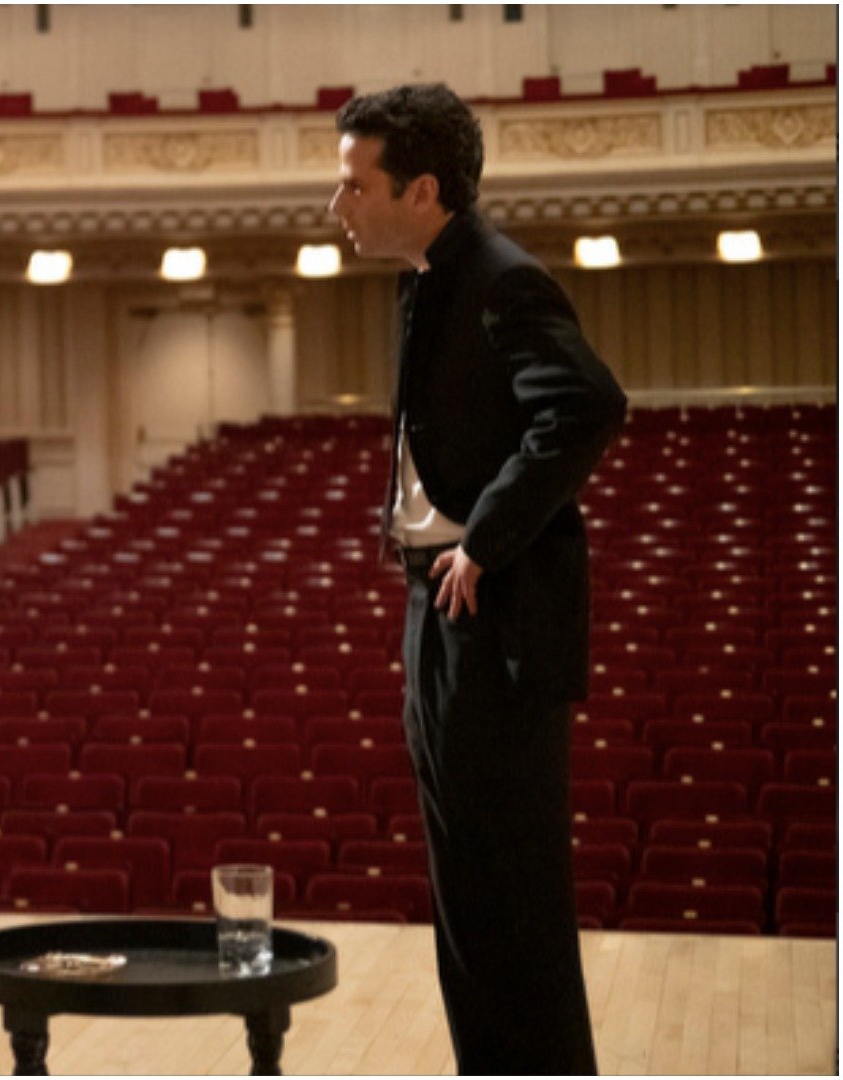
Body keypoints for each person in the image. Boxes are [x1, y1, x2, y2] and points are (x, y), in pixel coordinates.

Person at [328, 84, 626, 1074]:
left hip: (494, 618)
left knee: (513, 910)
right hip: (441, 608)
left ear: (421, 190)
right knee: (467, 902)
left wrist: (487, 539)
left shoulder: (502, 280)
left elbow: (585, 406)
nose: (338, 208)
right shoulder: (428, 278)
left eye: (353, 185)